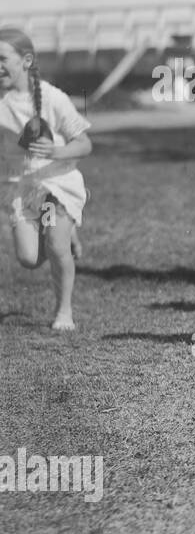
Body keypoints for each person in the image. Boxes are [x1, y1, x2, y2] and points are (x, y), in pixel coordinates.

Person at [0, 27, 92, 331]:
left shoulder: (53, 98)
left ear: (26, 61)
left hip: (54, 185)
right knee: (28, 258)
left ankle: (63, 311)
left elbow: (85, 143)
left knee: (54, 243)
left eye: (2, 58)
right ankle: (66, 232)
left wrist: (56, 151)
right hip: (20, 189)